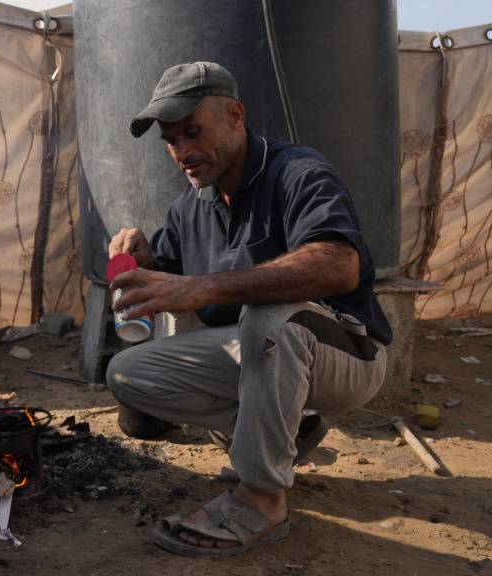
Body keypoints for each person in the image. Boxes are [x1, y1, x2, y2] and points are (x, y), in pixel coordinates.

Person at [105, 61, 392, 557]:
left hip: (348, 354)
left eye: (193, 132)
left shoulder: (297, 172)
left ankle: (261, 498)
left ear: (235, 116)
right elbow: (172, 274)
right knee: (127, 372)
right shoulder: (190, 206)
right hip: (263, 354)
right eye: (171, 142)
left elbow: (340, 264)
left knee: (267, 316)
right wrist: (145, 256)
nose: (182, 153)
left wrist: (207, 288)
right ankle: (289, 426)